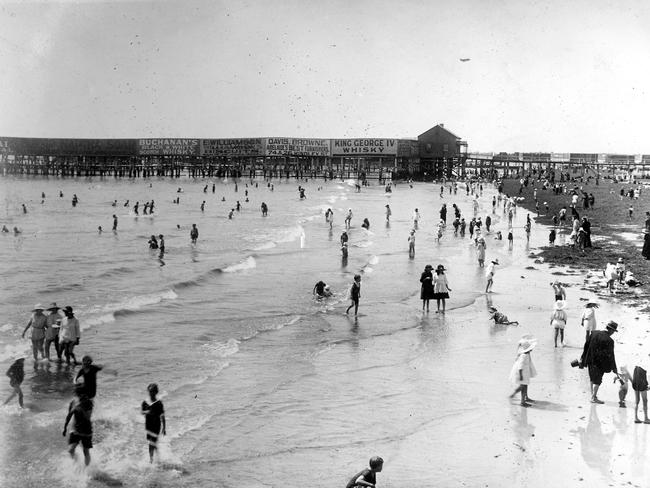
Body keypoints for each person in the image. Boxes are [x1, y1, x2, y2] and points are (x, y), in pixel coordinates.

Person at [581, 321, 619, 404]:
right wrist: (614, 368)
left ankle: (592, 396)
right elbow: (611, 355)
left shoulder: (594, 333)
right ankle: (593, 397)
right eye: (613, 331)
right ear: (611, 330)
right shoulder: (609, 341)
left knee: (592, 378)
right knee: (598, 380)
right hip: (600, 363)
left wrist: (583, 358)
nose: (613, 333)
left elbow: (586, 346)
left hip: (590, 360)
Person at [62, 383, 94, 466]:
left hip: (86, 429)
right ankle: (76, 465)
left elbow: (88, 417)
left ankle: (87, 470)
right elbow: (69, 415)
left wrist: (80, 407)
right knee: (71, 450)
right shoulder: (73, 402)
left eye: (79, 394)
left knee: (85, 451)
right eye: (77, 394)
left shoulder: (88, 403)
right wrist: (65, 427)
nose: (78, 396)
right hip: (75, 429)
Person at [509, 335, 537, 407]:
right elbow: (520, 366)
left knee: (525, 385)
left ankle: (525, 398)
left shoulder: (526, 354)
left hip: (525, 372)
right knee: (523, 386)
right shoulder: (524, 355)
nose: (532, 349)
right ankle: (522, 401)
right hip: (522, 373)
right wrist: (521, 375)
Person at [141, 383, 166, 463]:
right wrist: (147, 411)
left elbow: (162, 416)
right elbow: (142, 412)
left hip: (156, 425)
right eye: (150, 391)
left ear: (156, 392)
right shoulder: (145, 402)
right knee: (151, 442)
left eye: (153, 391)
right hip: (148, 425)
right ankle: (157, 456)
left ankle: (151, 460)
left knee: (152, 442)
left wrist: (164, 428)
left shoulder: (159, 403)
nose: (151, 393)